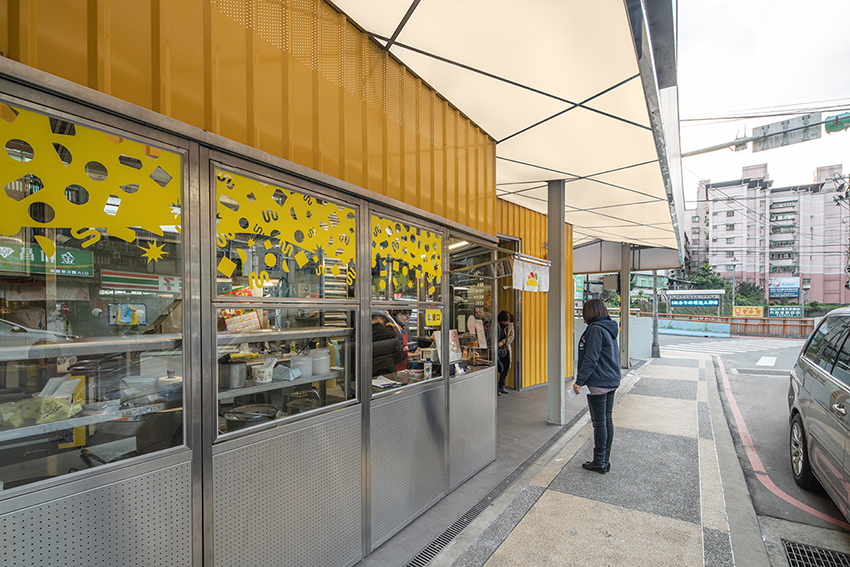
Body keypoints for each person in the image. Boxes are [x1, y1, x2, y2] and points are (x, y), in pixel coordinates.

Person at [573, 299, 621, 474]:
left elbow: (590, 358)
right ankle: (604, 460)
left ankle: (599, 461)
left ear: (591, 312)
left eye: (584, 311)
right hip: (610, 380)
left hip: (599, 381)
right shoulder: (608, 327)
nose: (583, 315)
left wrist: (579, 381)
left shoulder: (595, 329)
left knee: (599, 422)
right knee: (606, 420)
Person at [372, 313, 404, 379]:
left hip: (361, 376)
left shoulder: (357, 332)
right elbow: (399, 356)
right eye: (383, 319)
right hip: (386, 373)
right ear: (378, 317)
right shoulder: (388, 333)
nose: (384, 321)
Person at [496, 310, 514, 395]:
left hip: (505, 349)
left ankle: (501, 386)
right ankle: (496, 388)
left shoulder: (510, 325)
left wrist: (503, 342)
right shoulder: (496, 324)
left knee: (505, 368)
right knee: (496, 368)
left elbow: (512, 336)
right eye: (506, 321)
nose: (507, 323)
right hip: (496, 350)